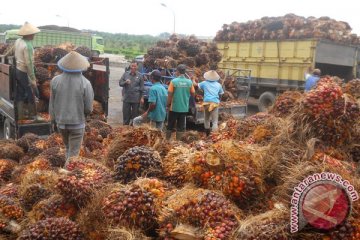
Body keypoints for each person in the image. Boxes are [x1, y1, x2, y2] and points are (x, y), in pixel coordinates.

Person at [49, 51, 94, 166]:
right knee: (74, 154)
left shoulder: (55, 80)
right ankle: (65, 176)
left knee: (68, 148)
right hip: (77, 123)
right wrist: (84, 114)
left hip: (61, 123)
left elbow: (52, 104)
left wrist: (53, 120)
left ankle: (65, 171)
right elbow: (89, 108)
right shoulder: (86, 83)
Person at [14, 22, 41, 120]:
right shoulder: (28, 45)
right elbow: (29, 63)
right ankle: (33, 116)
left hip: (18, 70)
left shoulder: (18, 41)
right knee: (32, 93)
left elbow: (15, 54)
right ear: (29, 34)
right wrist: (33, 78)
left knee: (20, 92)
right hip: (25, 72)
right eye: (33, 34)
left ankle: (20, 115)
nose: (34, 35)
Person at [166, 64, 195, 140]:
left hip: (174, 108)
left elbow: (170, 94)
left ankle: (167, 140)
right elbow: (193, 93)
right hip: (184, 108)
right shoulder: (189, 82)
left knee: (170, 125)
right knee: (180, 127)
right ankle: (178, 142)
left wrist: (168, 104)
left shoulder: (173, 81)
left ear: (178, 72)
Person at [192, 70, 224, 136]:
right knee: (215, 121)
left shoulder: (204, 83)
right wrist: (219, 100)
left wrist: (193, 79)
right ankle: (214, 136)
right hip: (215, 103)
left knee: (206, 118)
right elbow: (221, 93)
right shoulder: (218, 85)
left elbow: (195, 84)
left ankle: (207, 134)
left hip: (206, 103)